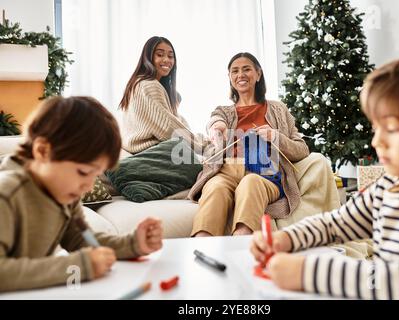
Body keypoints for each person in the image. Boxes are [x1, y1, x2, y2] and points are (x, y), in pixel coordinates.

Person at [250, 53, 399, 299]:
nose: (377, 141)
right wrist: (286, 239)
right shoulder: (389, 186)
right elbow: (335, 224)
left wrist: (308, 272)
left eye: (392, 129)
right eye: (376, 129)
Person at [0, 96, 163, 292]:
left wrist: (133, 244)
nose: (88, 186)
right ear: (43, 151)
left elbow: (82, 242)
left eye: (95, 176)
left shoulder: (62, 193)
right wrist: (77, 267)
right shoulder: (7, 195)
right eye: (84, 172)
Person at [188, 52, 310, 237]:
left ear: (258, 74)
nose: (240, 75)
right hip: (228, 171)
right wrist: (216, 128)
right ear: (229, 77)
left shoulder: (278, 109)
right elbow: (215, 120)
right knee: (215, 188)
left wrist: (276, 137)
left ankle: (242, 244)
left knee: (250, 182)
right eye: (234, 71)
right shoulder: (224, 111)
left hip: (264, 174)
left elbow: (302, 149)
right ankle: (202, 246)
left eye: (246, 69)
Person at [119, 36, 200, 154]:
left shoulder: (138, 83)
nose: (167, 60)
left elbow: (176, 120)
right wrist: (202, 147)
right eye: (160, 55)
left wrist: (200, 141)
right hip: (151, 152)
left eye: (171, 56)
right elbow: (168, 127)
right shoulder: (149, 85)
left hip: (141, 150)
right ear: (148, 57)